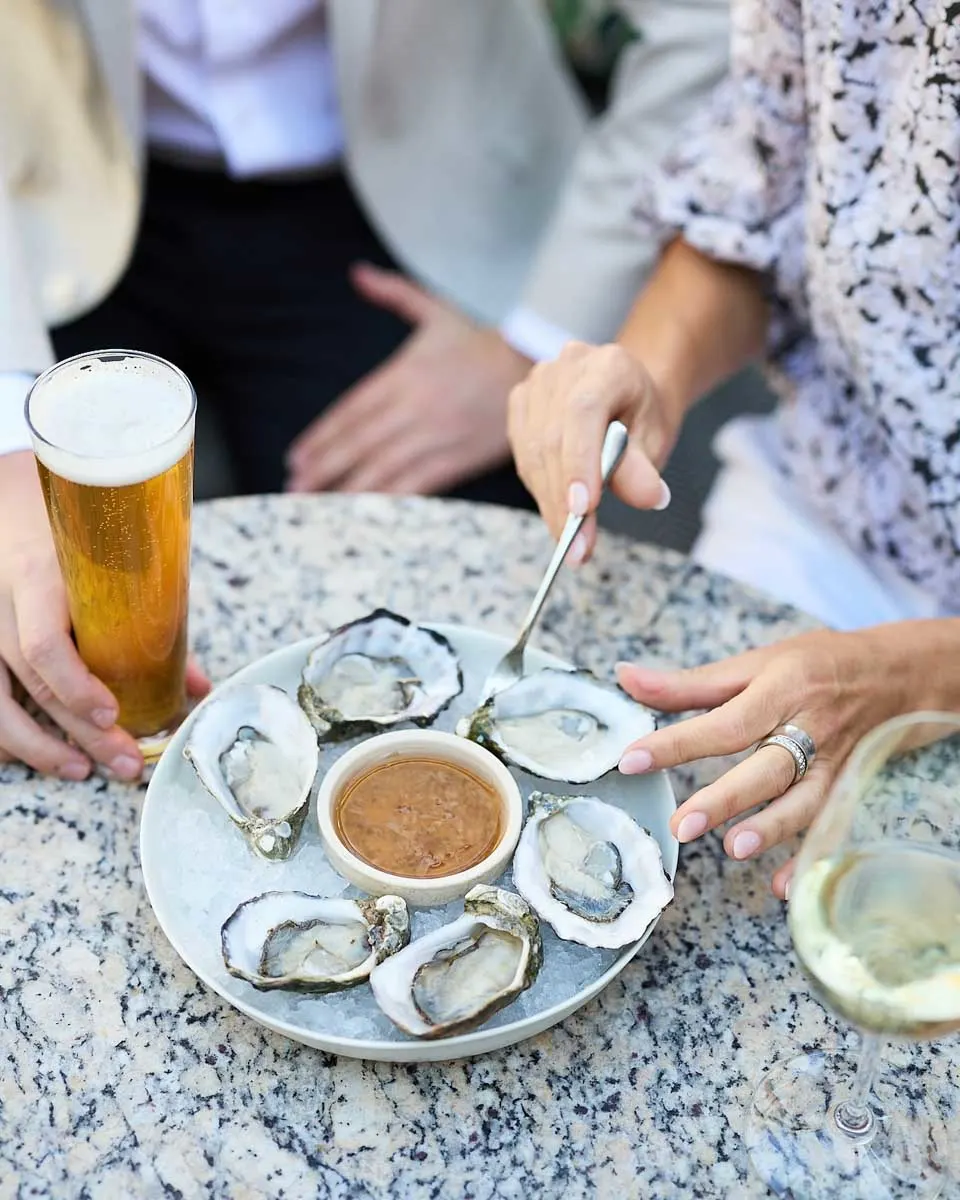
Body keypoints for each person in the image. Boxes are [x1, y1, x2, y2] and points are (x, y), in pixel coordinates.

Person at [0, 1, 730, 779]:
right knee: (41, 662)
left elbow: (712, 26)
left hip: (404, 191)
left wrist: (532, 340)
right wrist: (7, 438)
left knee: (452, 609)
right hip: (42, 189)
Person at [507, 0, 960, 898]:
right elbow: (758, 200)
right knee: (668, 860)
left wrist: (909, 673)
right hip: (826, 498)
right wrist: (645, 373)